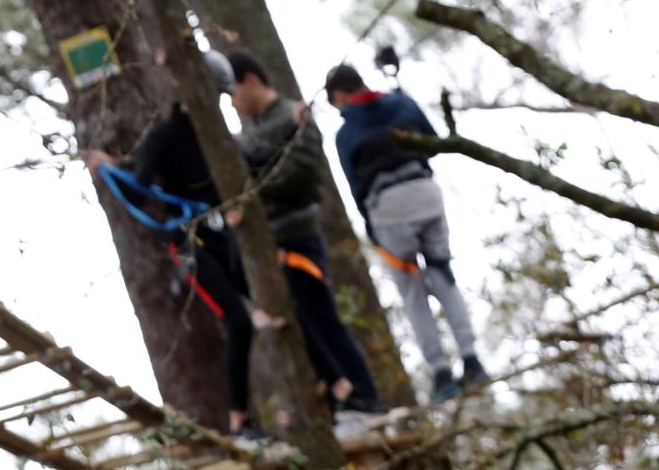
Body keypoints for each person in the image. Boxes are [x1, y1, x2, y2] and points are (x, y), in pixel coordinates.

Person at [84, 50, 262, 443]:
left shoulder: (203, 138)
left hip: (218, 236)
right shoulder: (174, 136)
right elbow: (143, 179)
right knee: (240, 321)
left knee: (265, 313)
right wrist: (111, 168)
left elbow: (145, 176)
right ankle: (240, 423)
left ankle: (257, 417)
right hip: (188, 243)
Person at [227, 51, 387, 423]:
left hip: (298, 234)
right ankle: (338, 399)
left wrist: (253, 185)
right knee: (298, 321)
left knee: (320, 316)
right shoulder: (260, 127)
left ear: (251, 79)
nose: (233, 101)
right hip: (271, 242)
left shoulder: (294, 117)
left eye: (233, 91)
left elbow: (296, 174)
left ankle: (362, 396)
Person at [325, 64, 487, 402]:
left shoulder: (345, 134)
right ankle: (472, 360)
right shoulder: (403, 104)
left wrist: (373, 231)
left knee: (413, 292)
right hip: (424, 192)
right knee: (443, 275)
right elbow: (432, 143)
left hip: (388, 209)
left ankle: (442, 374)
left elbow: (357, 190)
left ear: (339, 96)